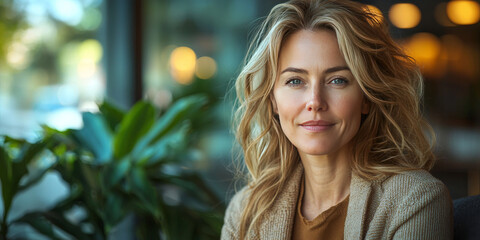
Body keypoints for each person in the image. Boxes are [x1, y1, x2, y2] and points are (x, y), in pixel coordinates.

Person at [221, 0, 453, 239]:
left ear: (366, 97)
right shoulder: (245, 211)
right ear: (272, 101)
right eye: (295, 81)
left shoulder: (415, 200)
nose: (315, 101)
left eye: (337, 80)